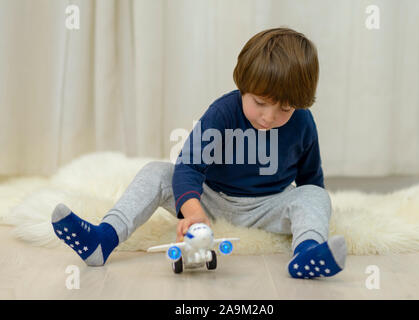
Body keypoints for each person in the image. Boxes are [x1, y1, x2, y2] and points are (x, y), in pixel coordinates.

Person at [51, 27, 346, 279]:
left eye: (285, 108)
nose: (269, 117)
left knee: (315, 196)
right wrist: (194, 213)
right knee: (157, 172)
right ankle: (103, 239)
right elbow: (188, 167)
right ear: (243, 87)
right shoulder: (223, 112)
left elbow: (311, 178)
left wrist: (312, 213)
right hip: (212, 199)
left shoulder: (303, 122)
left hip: (268, 207)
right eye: (260, 102)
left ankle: (307, 253)